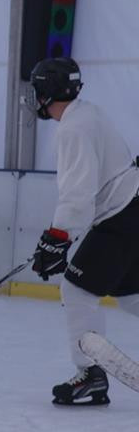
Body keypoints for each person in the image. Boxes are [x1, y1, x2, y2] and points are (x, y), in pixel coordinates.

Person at [28, 57, 139, 405]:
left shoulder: (73, 128)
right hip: (131, 210)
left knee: (76, 293)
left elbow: (79, 193)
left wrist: (57, 239)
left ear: (46, 91)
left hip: (119, 218)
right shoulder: (88, 113)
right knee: (131, 296)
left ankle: (90, 375)